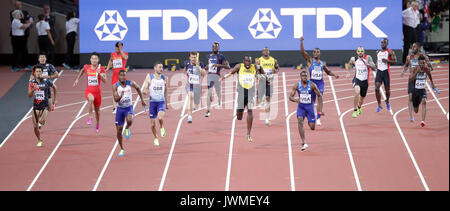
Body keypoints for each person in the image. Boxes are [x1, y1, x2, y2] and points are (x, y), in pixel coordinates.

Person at [220, 56, 268, 142]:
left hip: (250, 92)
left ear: (251, 61)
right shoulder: (239, 66)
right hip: (241, 92)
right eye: (246, 61)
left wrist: (266, 78)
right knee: (239, 117)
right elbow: (231, 73)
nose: (248, 63)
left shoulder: (255, 67)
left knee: (250, 110)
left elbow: (262, 71)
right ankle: (239, 111)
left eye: (249, 61)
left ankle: (248, 133)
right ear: (244, 61)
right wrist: (224, 77)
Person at [300, 36, 339, 125]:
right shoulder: (310, 61)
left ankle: (318, 118)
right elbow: (302, 52)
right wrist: (301, 42)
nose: (316, 53)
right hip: (312, 83)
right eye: (314, 52)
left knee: (320, 97)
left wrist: (334, 75)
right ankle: (311, 113)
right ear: (313, 54)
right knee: (311, 102)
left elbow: (328, 71)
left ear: (320, 53)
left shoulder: (322, 63)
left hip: (320, 83)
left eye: (317, 52)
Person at [112, 70, 146, 156]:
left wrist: (142, 100)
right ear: (118, 76)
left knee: (130, 120)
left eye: (124, 75)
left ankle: (127, 128)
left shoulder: (131, 83)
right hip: (120, 109)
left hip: (128, 107)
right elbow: (115, 100)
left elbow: (138, 88)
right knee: (119, 131)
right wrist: (120, 96)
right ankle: (122, 149)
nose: (123, 77)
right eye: (121, 75)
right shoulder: (115, 86)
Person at [289, 70, 323, 151]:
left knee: (312, 127)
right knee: (300, 121)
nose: (304, 77)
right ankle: (304, 142)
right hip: (301, 107)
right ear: (300, 77)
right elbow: (290, 97)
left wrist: (320, 109)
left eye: (306, 76)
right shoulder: (297, 85)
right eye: (303, 76)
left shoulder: (312, 85)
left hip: (310, 108)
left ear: (308, 77)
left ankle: (309, 120)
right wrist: (295, 100)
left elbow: (319, 95)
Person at [73, 52, 107, 133]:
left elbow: (105, 81)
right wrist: (77, 79)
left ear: (98, 60)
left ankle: (97, 123)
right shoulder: (86, 67)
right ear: (90, 59)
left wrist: (99, 74)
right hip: (89, 91)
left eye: (96, 59)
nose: (94, 60)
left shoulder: (101, 68)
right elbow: (82, 71)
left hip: (97, 93)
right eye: (92, 58)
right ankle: (90, 117)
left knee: (98, 112)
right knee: (90, 99)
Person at [401, 42, 433, 121]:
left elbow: (430, 66)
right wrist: (403, 71)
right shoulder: (409, 57)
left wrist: (430, 67)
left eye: (414, 47)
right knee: (410, 97)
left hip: (420, 80)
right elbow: (406, 65)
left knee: (417, 105)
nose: (412, 48)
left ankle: (418, 101)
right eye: (412, 47)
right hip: (412, 79)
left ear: (418, 48)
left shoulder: (423, 57)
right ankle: (411, 117)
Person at [28, 65, 57, 147]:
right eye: (36, 71)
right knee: (35, 126)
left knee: (40, 121)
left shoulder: (46, 81)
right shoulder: (31, 82)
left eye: (40, 71)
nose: (38, 73)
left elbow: (55, 87)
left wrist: (55, 99)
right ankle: (39, 140)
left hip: (45, 105)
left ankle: (43, 120)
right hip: (36, 105)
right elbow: (29, 95)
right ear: (34, 73)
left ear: (42, 72)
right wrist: (33, 89)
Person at [143, 61, 168, 146]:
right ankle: (156, 138)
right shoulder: (149, 77)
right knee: (153, 125)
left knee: (160, 118)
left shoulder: (164, 78)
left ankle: (161, 127)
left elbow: (166, 90)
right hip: (152, 103)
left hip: (161, 102)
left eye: (162, 67)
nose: (161, 69)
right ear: (155, 68)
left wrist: (167, 103)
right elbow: (145, 88)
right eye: (160, 67)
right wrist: (145, 91)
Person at [346, 46, 376, 118]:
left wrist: (368, 65)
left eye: (361, 51)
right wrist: (348, 71)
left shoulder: (368, 57)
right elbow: (349, 64)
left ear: (364, 52)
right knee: (357, 92)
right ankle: (355, 110)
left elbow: (374, 67)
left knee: (362, 99)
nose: (360, 53)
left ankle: (359, 107)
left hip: (365, 81)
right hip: (357, 79)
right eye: (359, 51)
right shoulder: (354, 59)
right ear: (357, 52)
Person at [409, 55, 436, 127]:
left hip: (422, 90)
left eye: (423, 63)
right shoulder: (415, 69)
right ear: (418, 63)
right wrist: (416, 73)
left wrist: (432, 84)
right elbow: (410, 80)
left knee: (424, 102)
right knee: (416, 110)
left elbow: (430, 75)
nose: (422, 65)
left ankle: (423, 121)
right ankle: (418, 102)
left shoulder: (426, 69)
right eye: (420, 63)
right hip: (415, 91)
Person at [205, 42, 230, 117]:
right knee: (209, 92)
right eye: (214, 47)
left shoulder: (221, 56)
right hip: (209, 76)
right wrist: (206, 67)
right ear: (212, 47)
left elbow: (228, 66)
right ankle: (208, 110)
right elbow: (208, 66)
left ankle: (219, 100)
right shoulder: (209, 56)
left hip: (217, 76)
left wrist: (218, 65)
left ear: (218, 48)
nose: (215, 48)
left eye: (216, 47)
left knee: (218, 91)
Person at [256, 47, 279, 126]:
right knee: (259, 99)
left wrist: (275, 71)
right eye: (264, 50)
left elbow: (277, 69)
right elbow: (256, 71)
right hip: (262, 81)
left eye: (267, 50)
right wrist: (257, 75)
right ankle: (261, 100)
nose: (266, 51)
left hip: (269, 82)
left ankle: (267, 119)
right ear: (262, 52)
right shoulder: (259, 60)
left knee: (268, 99)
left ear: (269, 52)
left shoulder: (274, 60)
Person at [375, 38, 397, 112]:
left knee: (387, 90)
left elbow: (395, 61)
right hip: (379, 72)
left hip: (386, 72)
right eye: (381, 42)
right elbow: (378, 62)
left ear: (387, 44)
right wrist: (375, 65)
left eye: (384, 43)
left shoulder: (390, 52)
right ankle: (379, 105)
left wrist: (387, 61)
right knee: (376, 88)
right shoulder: (378, 52)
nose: (382, 44)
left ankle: (387, 101)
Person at [106, 42, 129, 113]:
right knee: (114, 91)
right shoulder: (113, 54)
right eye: (117, 48)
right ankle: (115, 108)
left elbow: (126, 57)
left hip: (122, 76)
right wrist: (107, 68)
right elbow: (110, 61)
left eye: (119, 48)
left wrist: (121, 50)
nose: (117, 49)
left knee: (124, 91)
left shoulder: (125, 53)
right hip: (115, 76)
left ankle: (125, 106)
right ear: (115, 48)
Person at [184, 51, 206, 123]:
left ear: (197, 57)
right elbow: (185, 71)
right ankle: (189, 116)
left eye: (195, 57)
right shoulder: (187, 63)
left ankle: (194, 105)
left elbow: (204, 74)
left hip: (197, 86)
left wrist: (198, 67)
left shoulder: (200, 64)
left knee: (196, 104)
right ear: (189, 57)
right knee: (190, 96)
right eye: (192, 57)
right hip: (189, 85)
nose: (193, 59)